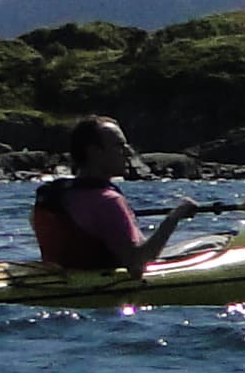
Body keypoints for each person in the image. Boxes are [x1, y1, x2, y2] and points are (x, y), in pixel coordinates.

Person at [29, 116, 202, 276]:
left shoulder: (54, 194)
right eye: (119, 145)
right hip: (104, 280)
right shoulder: (108, 200)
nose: (127, 152)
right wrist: (174, 217)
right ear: (94, 152)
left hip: (61, 275)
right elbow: (136, 264)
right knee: (216, 243)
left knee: (208, 242)